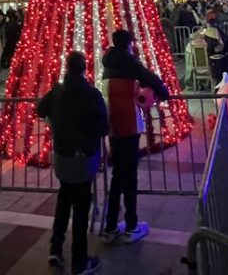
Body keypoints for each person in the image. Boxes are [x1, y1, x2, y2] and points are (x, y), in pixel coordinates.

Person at [37, 51, 108, 275]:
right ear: (84, 68)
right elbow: (103, 127)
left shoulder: (57, 91)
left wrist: (54, 123)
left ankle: (55, 249)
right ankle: (79, 261)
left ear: (66, 67)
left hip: (62, 156)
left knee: (63, 201)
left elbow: (40, 109)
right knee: (80, 209)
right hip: (83, 159)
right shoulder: (92, 95)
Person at [101, 30, 169, 244]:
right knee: (129, 176)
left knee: (117, 176)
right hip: (129, 124)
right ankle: (131, 225)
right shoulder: (130, 63)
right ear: (129, 44)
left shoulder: (107, 64)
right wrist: (163, 93)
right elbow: (153, 79)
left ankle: (110, 226)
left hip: (113, 125)